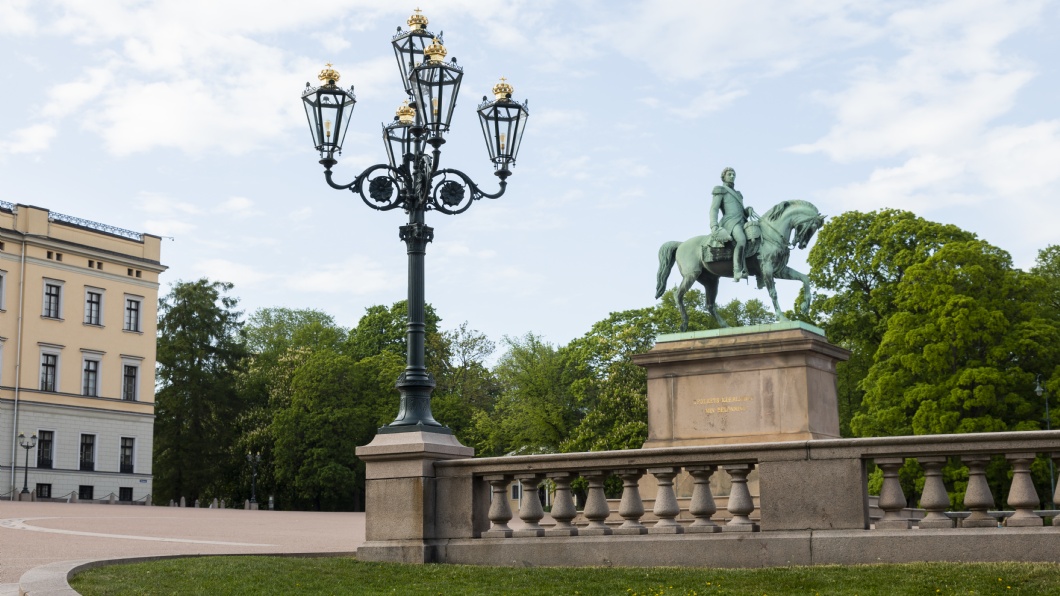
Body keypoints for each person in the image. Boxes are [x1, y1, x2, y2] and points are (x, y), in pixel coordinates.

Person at [710, 167, 750, 282]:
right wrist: (714, 225)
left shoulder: (738, 194)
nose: (732, 176)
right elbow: (714, 209)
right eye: (729, 174)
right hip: (730, 222)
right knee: (741, 240)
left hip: (742, 220)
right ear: (724, 176)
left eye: (733, 174)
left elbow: (741, 211)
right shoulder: (720, 190)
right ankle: (737, 271)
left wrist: (748, 210)